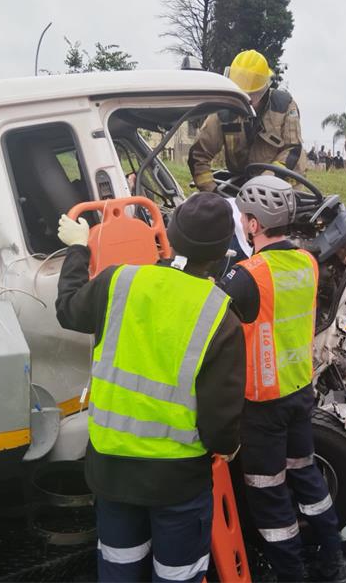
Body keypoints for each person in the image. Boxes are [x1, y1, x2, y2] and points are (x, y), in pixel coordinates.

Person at [55, 194, 246, 582]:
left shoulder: (118, 281)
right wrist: (228, 448)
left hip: (111, 471)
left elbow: (67, 309)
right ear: (223, 252)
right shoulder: (220, 316)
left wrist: (78, 248)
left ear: (169, 238)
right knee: (177, 576)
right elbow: (219, 420)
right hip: (178, 484)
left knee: (121, 570)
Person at [219, 175, 345, 582]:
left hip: (262, 405)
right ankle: (331, 561)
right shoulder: (307, 262)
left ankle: (291, 574)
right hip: (298, 391)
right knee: (306, 477)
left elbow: (210, 315)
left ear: (253, 225)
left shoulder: (248, 274)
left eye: (243, 217)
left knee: (269, 496)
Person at [188, 50, 307, 192]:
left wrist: (268, 180)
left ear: (264, 89)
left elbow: (292, 149)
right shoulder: (224, 112)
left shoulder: (284, 106)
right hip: (242, 183)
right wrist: (212, 193)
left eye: (251, 94)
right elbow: (199, 155)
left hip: (282, 185)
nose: (245, 99)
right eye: (240, 92)